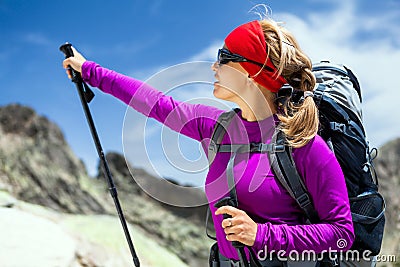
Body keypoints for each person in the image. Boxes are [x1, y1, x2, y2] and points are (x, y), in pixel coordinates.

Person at [63, 17, 364, 267]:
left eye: (224, 57)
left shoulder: (305, 145)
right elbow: (154, 102)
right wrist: (89, 71)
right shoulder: (216, 127)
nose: (214, 66)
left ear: (253, 72)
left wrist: (260, 235)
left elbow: (341, 234)